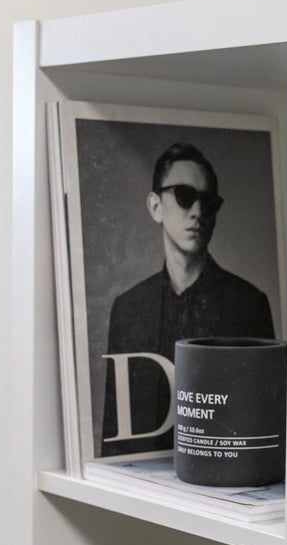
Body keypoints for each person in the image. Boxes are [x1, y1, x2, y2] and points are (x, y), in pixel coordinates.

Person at [100, 143, 275, 456]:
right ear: (155, 206)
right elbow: (115, 437)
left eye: (208, 202)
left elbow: (261, 431)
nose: (197, 211)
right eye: (184, 195)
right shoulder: (128, 308)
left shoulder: (249, 304)